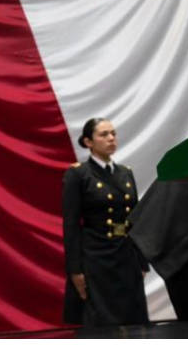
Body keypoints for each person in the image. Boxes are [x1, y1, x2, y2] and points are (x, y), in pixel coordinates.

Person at [62, 117, 148, 327]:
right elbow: (71, 225)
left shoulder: (125, 173)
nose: (111, 138)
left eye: (113, 133)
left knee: (134, 319)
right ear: (88, 142)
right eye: (104, 134)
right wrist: (74, 269)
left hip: (125, 254)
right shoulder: (79, 174)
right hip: (96, 257)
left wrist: (141, 260)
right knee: (103, 322)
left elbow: (134, 220)